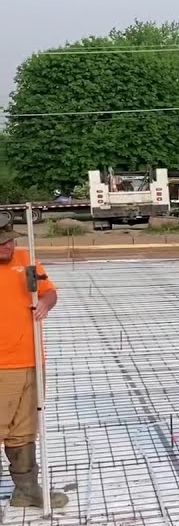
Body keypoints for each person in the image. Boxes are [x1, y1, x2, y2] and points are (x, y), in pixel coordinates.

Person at [0, 213, 67, 510]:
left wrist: (45, 302)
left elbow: (49, 291)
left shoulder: (27, 260)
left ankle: (26, 489)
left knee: (24, 429)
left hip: (32, 361)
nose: (8, 247)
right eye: (1, 243)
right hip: (2, 367)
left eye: (10, 241)